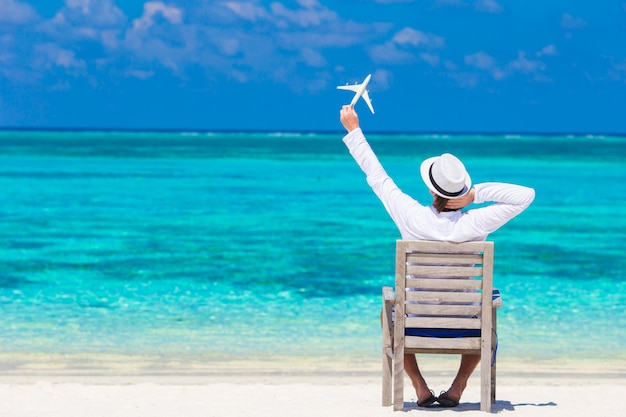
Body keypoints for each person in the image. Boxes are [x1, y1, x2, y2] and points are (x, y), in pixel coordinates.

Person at [339, 105, 535, 408]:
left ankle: (419, 387)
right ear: (461, 189)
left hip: (415, 322)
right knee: (488, 320)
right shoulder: (475, 223)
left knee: (387, 314)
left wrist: (354, 130)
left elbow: (376, 175)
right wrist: (475, 195)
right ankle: (457, 388)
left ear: (431, 190)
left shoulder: (410, 216)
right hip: (467, 325)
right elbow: (526, 195)